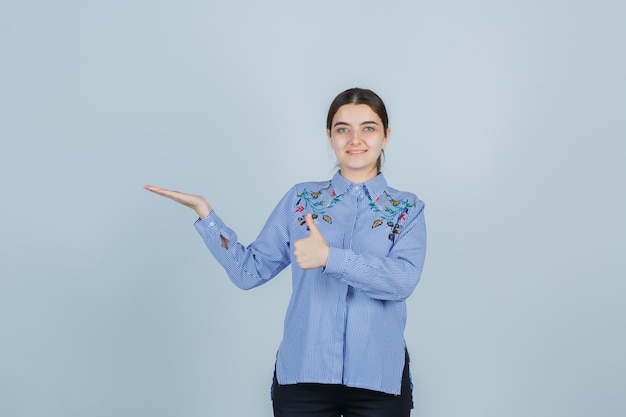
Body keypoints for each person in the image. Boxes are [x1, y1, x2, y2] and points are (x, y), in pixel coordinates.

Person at [144, 87, 427, 417]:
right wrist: (207, 217)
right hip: (304, 377)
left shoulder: (407, 208)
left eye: (368, 128)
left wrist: (329, 257)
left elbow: (402, 281)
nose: (355, 139)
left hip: (377, 379)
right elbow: (249, 271)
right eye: (342, 129)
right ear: (329, 135)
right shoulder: (301, 201)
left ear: (385, 135)